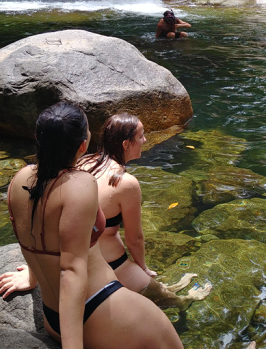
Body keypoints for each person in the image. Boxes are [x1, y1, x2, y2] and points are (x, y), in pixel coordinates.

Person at [0, 102, 250, 349]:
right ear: (83, 145)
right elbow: (71, 269)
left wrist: (32, 279)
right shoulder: (80, 184)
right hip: (100, 312)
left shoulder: (21, 178)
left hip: (54, 318)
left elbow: (34, 231)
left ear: (39, 139)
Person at [76, 113, 211, 310]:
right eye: (141, 136)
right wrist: (143, 267)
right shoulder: (125, 183)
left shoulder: (84, 162)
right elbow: (135, 238)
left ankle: (169, 287)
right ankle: (186, 300)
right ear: (126, 144)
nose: (145, 140)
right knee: (162, 299)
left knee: (156, 288)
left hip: (77, 257)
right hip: (108, 264)